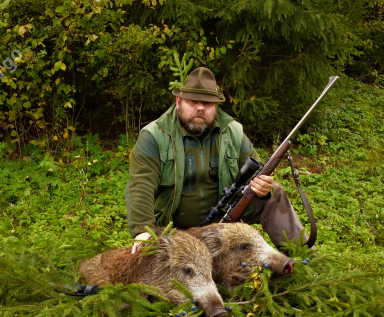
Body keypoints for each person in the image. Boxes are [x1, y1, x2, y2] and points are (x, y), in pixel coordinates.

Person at [125, 67, 305, 254]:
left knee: (274, 193)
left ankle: (306, 257)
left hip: (225, 221)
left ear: (216, 107)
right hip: (174, 231)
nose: (200, 108)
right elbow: (141, 186)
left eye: (208, 103)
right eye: (193, 101)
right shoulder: (154, 136)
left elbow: (259, 175)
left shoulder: (233, 131)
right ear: (178, 101)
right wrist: (142, 231)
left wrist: (264, 188)